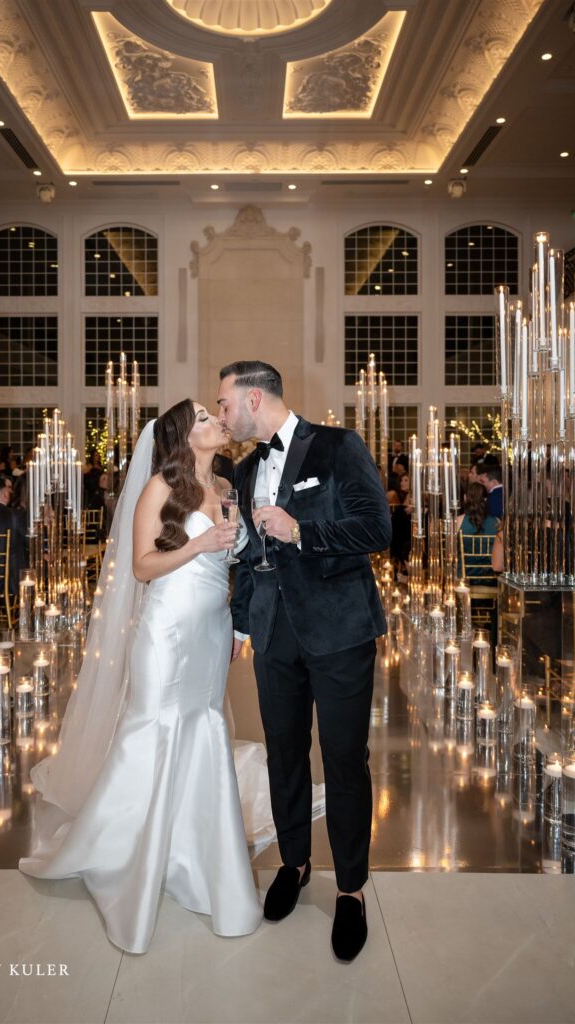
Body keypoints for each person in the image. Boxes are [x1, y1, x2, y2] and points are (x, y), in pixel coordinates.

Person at [19, 402, 263, 953]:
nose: (215, 421)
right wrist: (198, 544)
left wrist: (236, 616)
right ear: (182, 436)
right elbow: (141, 567)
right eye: (203, 417)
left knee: (202, 728)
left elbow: (236, 557)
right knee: (152, 729)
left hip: (211, 627)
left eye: (212, 414)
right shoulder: (161, 487)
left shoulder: (226, 486)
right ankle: (127, 850)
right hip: (167, 629)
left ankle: (191, 851)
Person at [217, 360, 391, 964]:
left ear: (255, 398)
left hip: (341, 632)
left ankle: (350, 890)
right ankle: (294, 862)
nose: (221, 415)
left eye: (225, 403)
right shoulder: (241, 470)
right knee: (283, 753)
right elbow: (245, 559)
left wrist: (301, 533)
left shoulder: (339, 446)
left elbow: (377, 528)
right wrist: (241, 622)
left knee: (344, 761)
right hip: (273, 635)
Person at [457, 481, 500, 579]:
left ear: (464, 498)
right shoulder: (497, 522)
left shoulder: (458, 521)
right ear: (485, 499)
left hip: (464, 577)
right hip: (490, 578)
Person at [386, 472, 412, 573]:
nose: (402, 483)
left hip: (403, 544)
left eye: (406, 480)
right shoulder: (404, 497)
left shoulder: (414, 501)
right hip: (397, 543)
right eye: (401, 480)